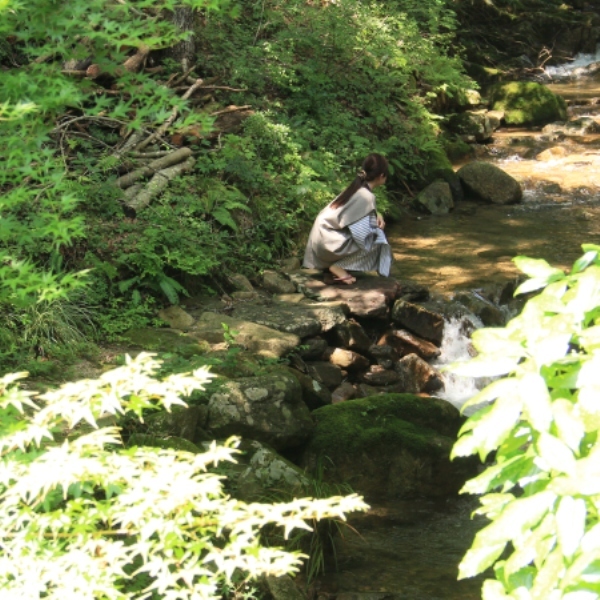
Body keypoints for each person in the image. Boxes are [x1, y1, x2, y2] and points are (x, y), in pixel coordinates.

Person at [303, 153, 392, 284]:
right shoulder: (366, 196)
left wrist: (377, 215)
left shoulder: (356, 188)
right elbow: (365, 234)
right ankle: (338, 267)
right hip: (327, 241)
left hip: (319, 239)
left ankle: (334, 266)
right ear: (382, 175)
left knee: (370, 235)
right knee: (377, 238)